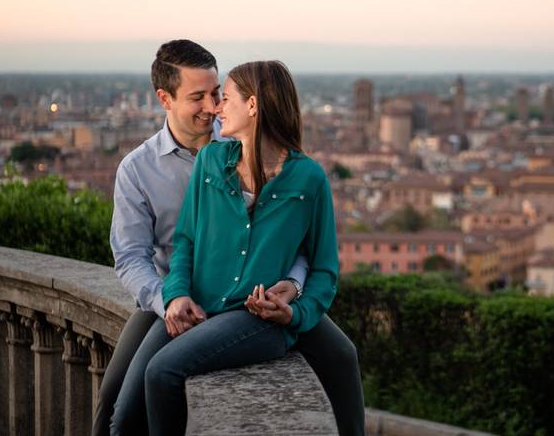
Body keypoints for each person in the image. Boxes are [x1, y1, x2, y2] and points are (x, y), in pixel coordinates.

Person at [95, 41, 363, 435]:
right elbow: (134, 256)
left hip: (253, 296)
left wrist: (291, 286)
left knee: (342, 355)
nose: (213, 107)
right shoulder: (142, 169)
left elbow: (303, 247)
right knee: (116, 404)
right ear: (165, 99)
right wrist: (170, 298)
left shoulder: (252, 150)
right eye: (198, 97)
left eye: (218, 94)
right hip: (175, 292)